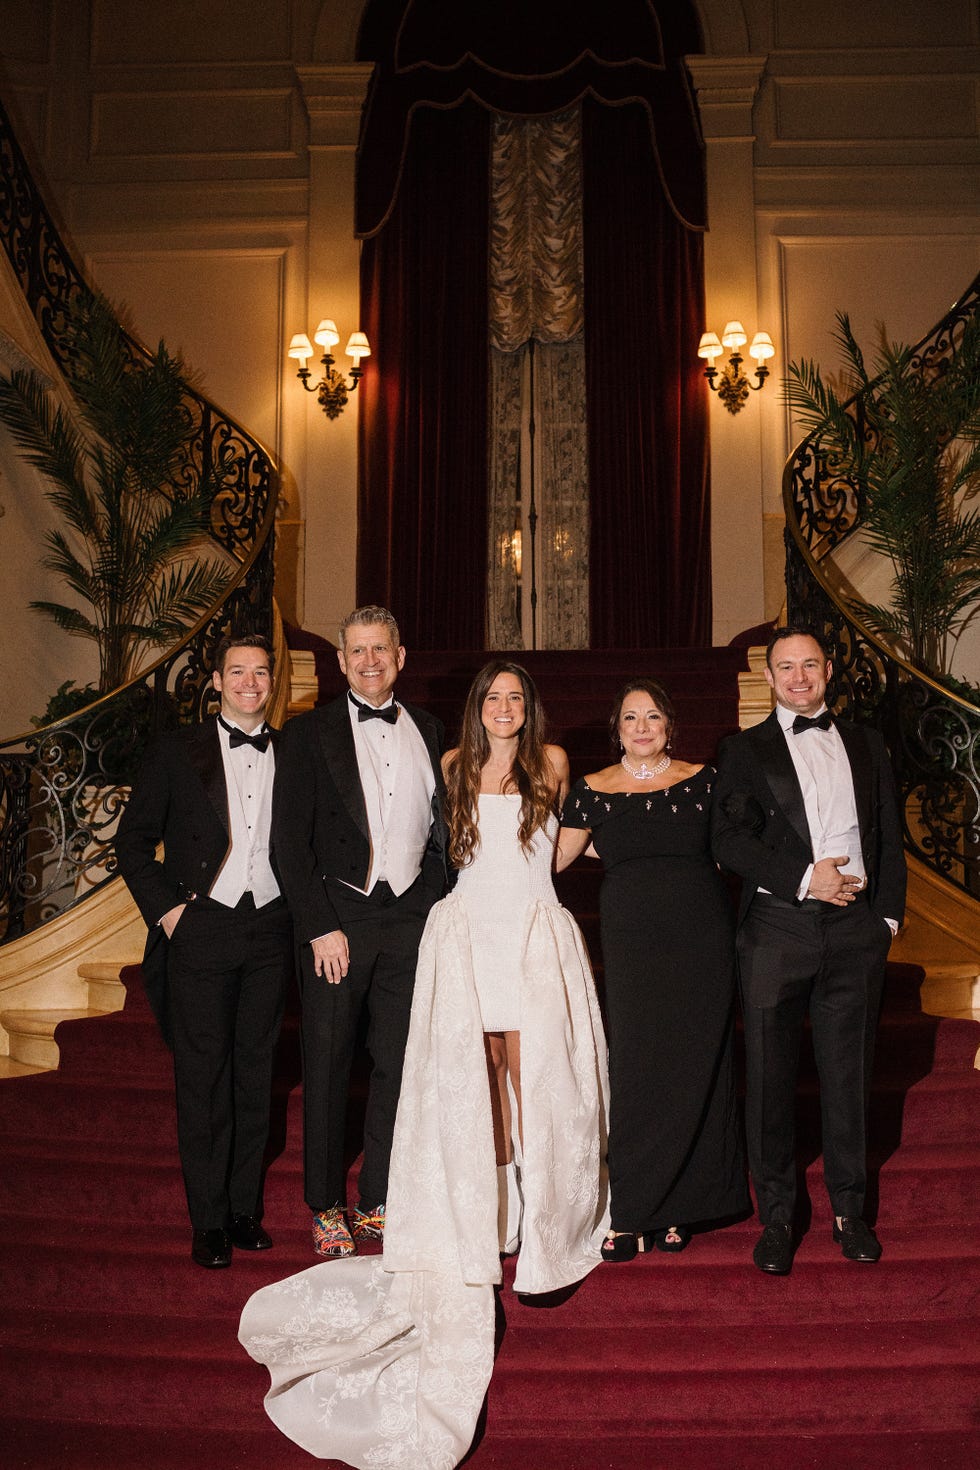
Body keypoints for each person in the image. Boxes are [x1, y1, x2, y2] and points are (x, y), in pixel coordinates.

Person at [239, 659, 609, 1469]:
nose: (506, 708)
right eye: (495, 698)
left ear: (528, 708)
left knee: (532, 1075)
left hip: (531, 930)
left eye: (517, 698)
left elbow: (563, 851)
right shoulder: (452, 763)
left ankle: (536, 1217)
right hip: (470, 928)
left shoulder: (552, 763)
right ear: (479, 708)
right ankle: (487, 1214)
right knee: (473, 1079)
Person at [711, 626, 906, 1275]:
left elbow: (888, 837)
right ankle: (777, 1218)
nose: (799, 677)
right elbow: (728, 841)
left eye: (809, 665)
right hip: (777, 929)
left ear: (828, 670)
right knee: (768, 1081)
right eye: (786, 667)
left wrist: (886, 922)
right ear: (769, 678)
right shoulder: (743, 749)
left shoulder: (868, 744)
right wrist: (802, 878)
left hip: (855, 930)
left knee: (848, 1076)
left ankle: (851, 1213)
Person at [271, 605, 449, 1258]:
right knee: (327, 1062)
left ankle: (377, 1196)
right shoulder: (307, 733)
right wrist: (320, 927)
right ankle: (325, 1204)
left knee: (399, 1064)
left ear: (401, 657)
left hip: (408, 919)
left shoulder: (430, 730)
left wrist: (428, 906)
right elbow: (288, 842)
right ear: (341, 662)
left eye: (382, 649)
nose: (370, 661)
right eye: (358, 651)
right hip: (337, 919)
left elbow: (443, 835)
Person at [116, 633, 292, 1269]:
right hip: (202, 927)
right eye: (237, 672)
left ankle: (244, 1210)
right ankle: (208, 1219)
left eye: (261, 672)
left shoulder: (292, 753)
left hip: (271, 928)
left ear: (273, 683)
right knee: (202, 1076)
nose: (250, 682)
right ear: (216, 681)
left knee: (255, 1073)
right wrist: (170, 913)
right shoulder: (175, 751)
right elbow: (132, 842)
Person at [558, 677, 749, 1261]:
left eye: (653, 718)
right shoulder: (592, 788)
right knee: (639, 1066)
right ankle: (635, 1208)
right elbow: (554, 857)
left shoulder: (704, 780)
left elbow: (732, 848)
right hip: (633, 943)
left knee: (697, 1062)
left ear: (669, 725)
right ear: (616, 728)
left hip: (701, 938)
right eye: (630, 718)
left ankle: (684, 1207)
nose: (642, 727)